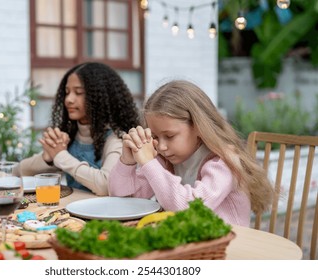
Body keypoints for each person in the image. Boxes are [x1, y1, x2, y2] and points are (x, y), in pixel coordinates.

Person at [108, 80, 274, 226]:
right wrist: (127, 161)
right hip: (190, 245)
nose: (162, 146)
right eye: (155, 136)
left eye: (170, 136)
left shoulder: (224, 163)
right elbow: (126, 200)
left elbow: (186, 208)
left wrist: (148, 164)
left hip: (228, 248)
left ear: (198, 127)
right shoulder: (164, 160)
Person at [15, 62, 139, 196]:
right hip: (70, 214)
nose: (69, 99)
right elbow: (21, 170)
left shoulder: (117, 139)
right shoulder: (70, 136)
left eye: (79, 92)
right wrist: (48, 158)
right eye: (67, 92)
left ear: (100, 98)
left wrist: (60, 156)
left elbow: (106, 185)